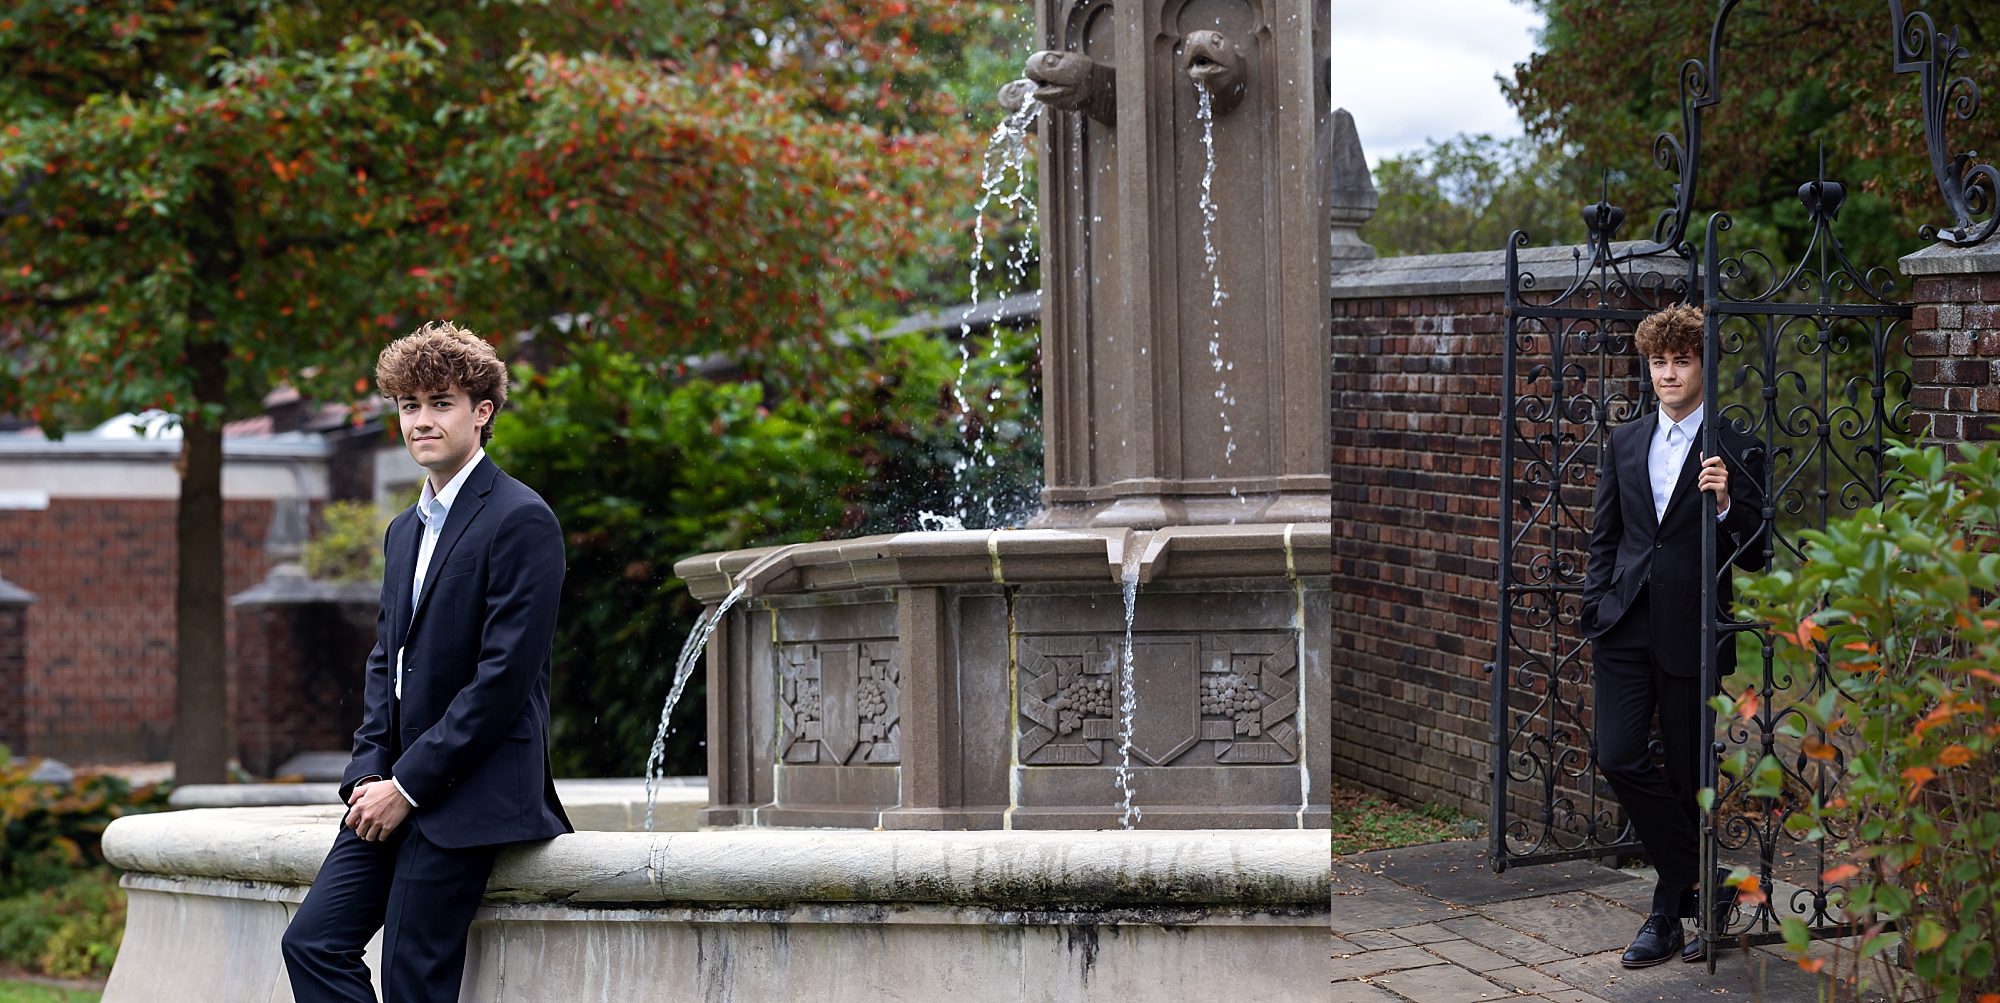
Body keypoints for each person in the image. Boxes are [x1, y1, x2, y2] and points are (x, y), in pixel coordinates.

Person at [281, 321, 573, 1001]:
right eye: (409, 406)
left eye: (440, 402)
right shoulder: (404, 530)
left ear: (482, 412)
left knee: (413, 973)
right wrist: (367, 770)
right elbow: (387, 660)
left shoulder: (522, 519)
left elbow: (503, 680)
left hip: (472, 794)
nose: (422, 420)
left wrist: (406, 786)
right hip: (391, 789)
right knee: (312, 942)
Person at [1580, 303, 1766, 968]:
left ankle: (1667, 912)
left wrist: (1724, 502)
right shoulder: (1625, 441)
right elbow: (1606, 535)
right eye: (1658, 361)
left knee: (1690, 773)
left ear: (1702, 364)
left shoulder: (1735, 446)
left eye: (1680, 360)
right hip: (1624, 622)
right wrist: (1595, 601)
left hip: (1693, 628)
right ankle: (1703, 878)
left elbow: (1756, 554)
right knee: (1619, 752)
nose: (1667, 372)